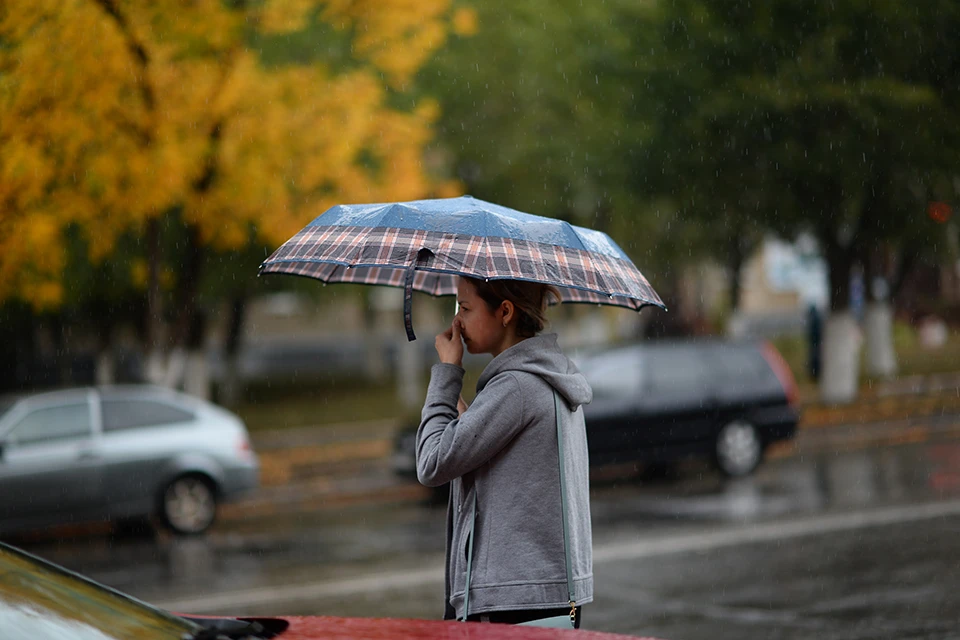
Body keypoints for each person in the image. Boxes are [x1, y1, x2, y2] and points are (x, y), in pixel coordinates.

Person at [416, 276, 594, 626]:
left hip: (512, 599)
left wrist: (447, 372)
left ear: (505, 312)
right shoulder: (545, 376)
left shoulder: (515, 386)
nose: (456, 322)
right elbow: (499, 458)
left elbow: (431, 463)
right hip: (545, 592)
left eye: (465, 308)